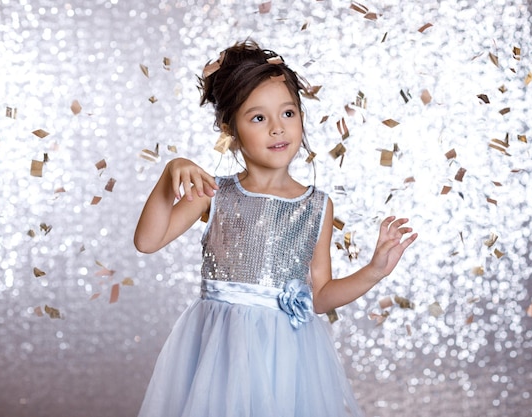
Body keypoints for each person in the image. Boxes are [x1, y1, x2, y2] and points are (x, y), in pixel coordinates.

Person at [134, 39, 418, 417]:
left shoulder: (316, 206)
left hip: (286, 360)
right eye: (258, 118)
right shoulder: (213, 193)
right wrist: (170, 173)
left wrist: (374, 271)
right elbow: (147, 241)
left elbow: (319, 297)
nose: (276, 129)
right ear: (229, 128)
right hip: (221, 351)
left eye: (287, 113)